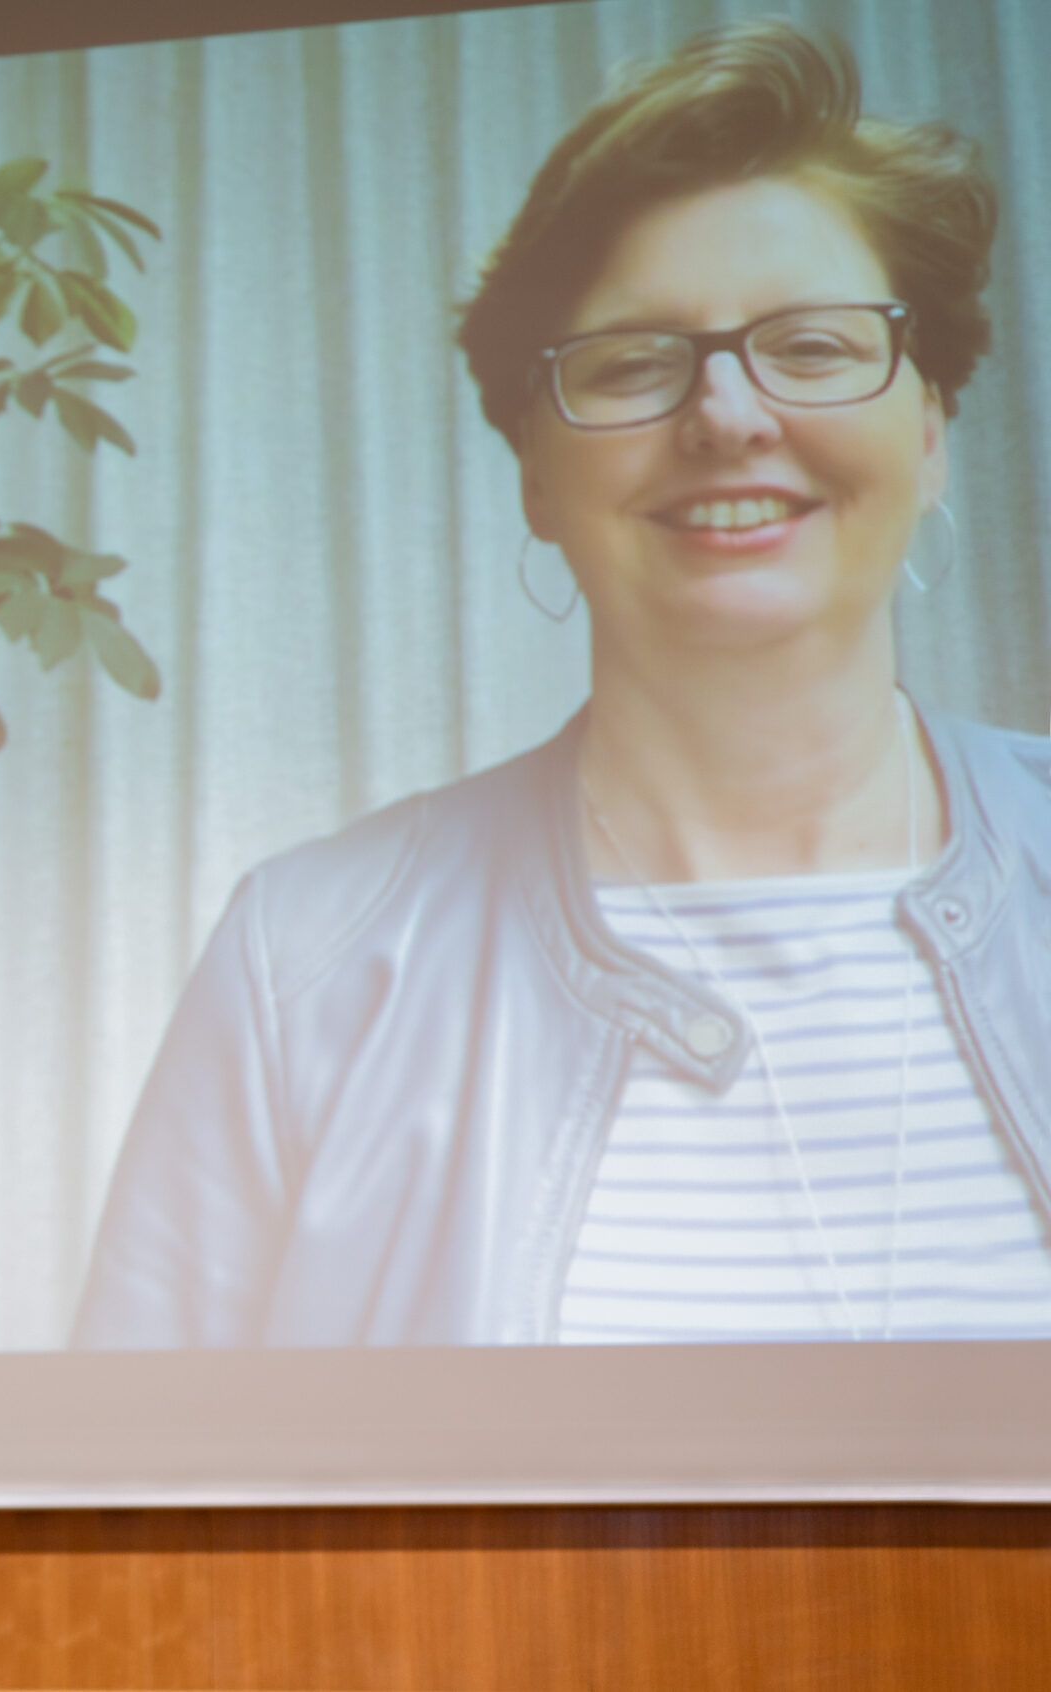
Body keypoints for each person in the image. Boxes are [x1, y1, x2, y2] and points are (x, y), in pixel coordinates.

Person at [75, 21, 1051, 1348]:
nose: (726, 417)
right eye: (634, 363)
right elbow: (134, 1528)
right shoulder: (303, 962)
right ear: (536, 474)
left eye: (814, 347)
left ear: (931, 430)